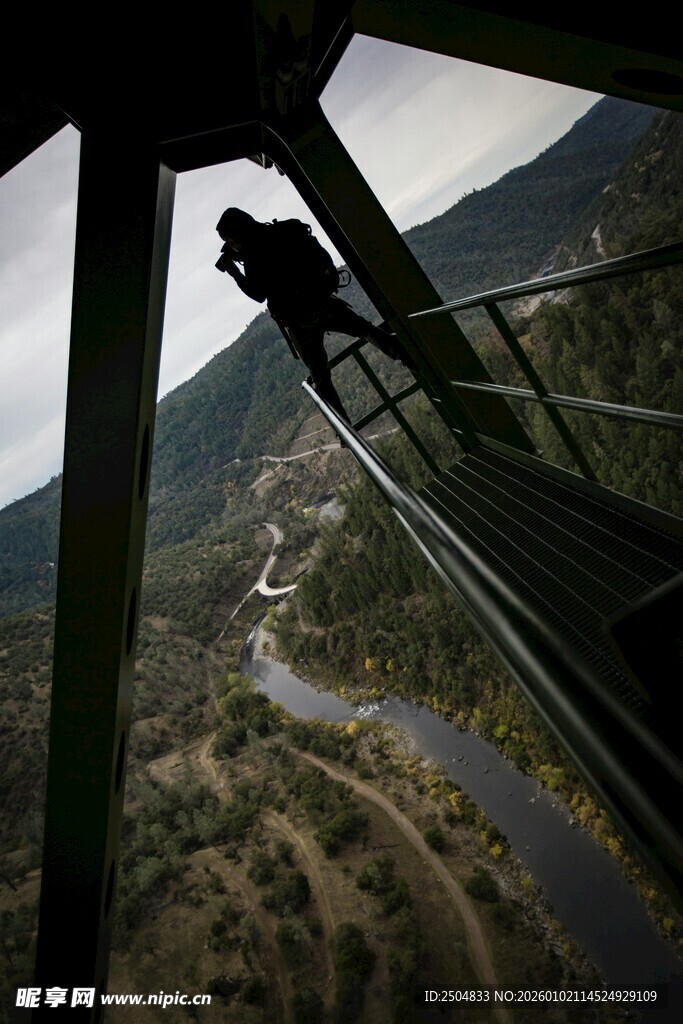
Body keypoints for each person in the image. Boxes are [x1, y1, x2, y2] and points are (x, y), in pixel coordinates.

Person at [215, 207, 415, 423]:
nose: (232, 245)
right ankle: (408, 356)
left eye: (231, 239)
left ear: (237, 235)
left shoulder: (254, 257)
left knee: (320, 376)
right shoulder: (280, 232)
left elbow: (257, 294)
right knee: (363, 329)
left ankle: (343, 429)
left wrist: (235, 273)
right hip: (321, 302)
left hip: (297, 321)